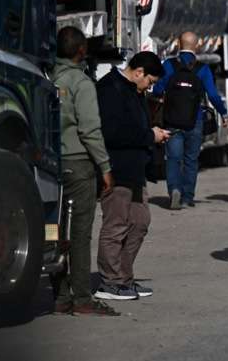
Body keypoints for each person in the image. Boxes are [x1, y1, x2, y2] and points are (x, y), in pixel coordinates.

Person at [51, 27, 118, 316]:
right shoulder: (81, 83)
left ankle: (60, 296)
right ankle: (82, 299)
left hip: (50, 164)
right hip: (78, 163)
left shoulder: (46, 78)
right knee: (79, 234)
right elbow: (89, 130)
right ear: (81, 51)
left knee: (55, 231)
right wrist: (104, 167)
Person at [94, 51, 170, 301]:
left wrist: (152, 132)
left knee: (139, 222)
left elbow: (136, 126)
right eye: (150, 81)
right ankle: (110, 282)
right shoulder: (109, 89)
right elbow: (112, 133)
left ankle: (124, 278)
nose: (150, 86)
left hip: (136, 171)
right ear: (139, 72)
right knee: (115, 226)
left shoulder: (134, 91)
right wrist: (150, 136)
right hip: (117, 170)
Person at [152, 31, 228, 210]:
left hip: (172, 120)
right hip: (195, 121)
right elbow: (213, 95)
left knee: (173, 158)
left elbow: (157, 89)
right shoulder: (202, 69)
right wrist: (223, 113)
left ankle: (174, 190)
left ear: (179, 44)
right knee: (191, 160)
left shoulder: (169, 65)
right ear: (197, 46)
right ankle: (187, 197)